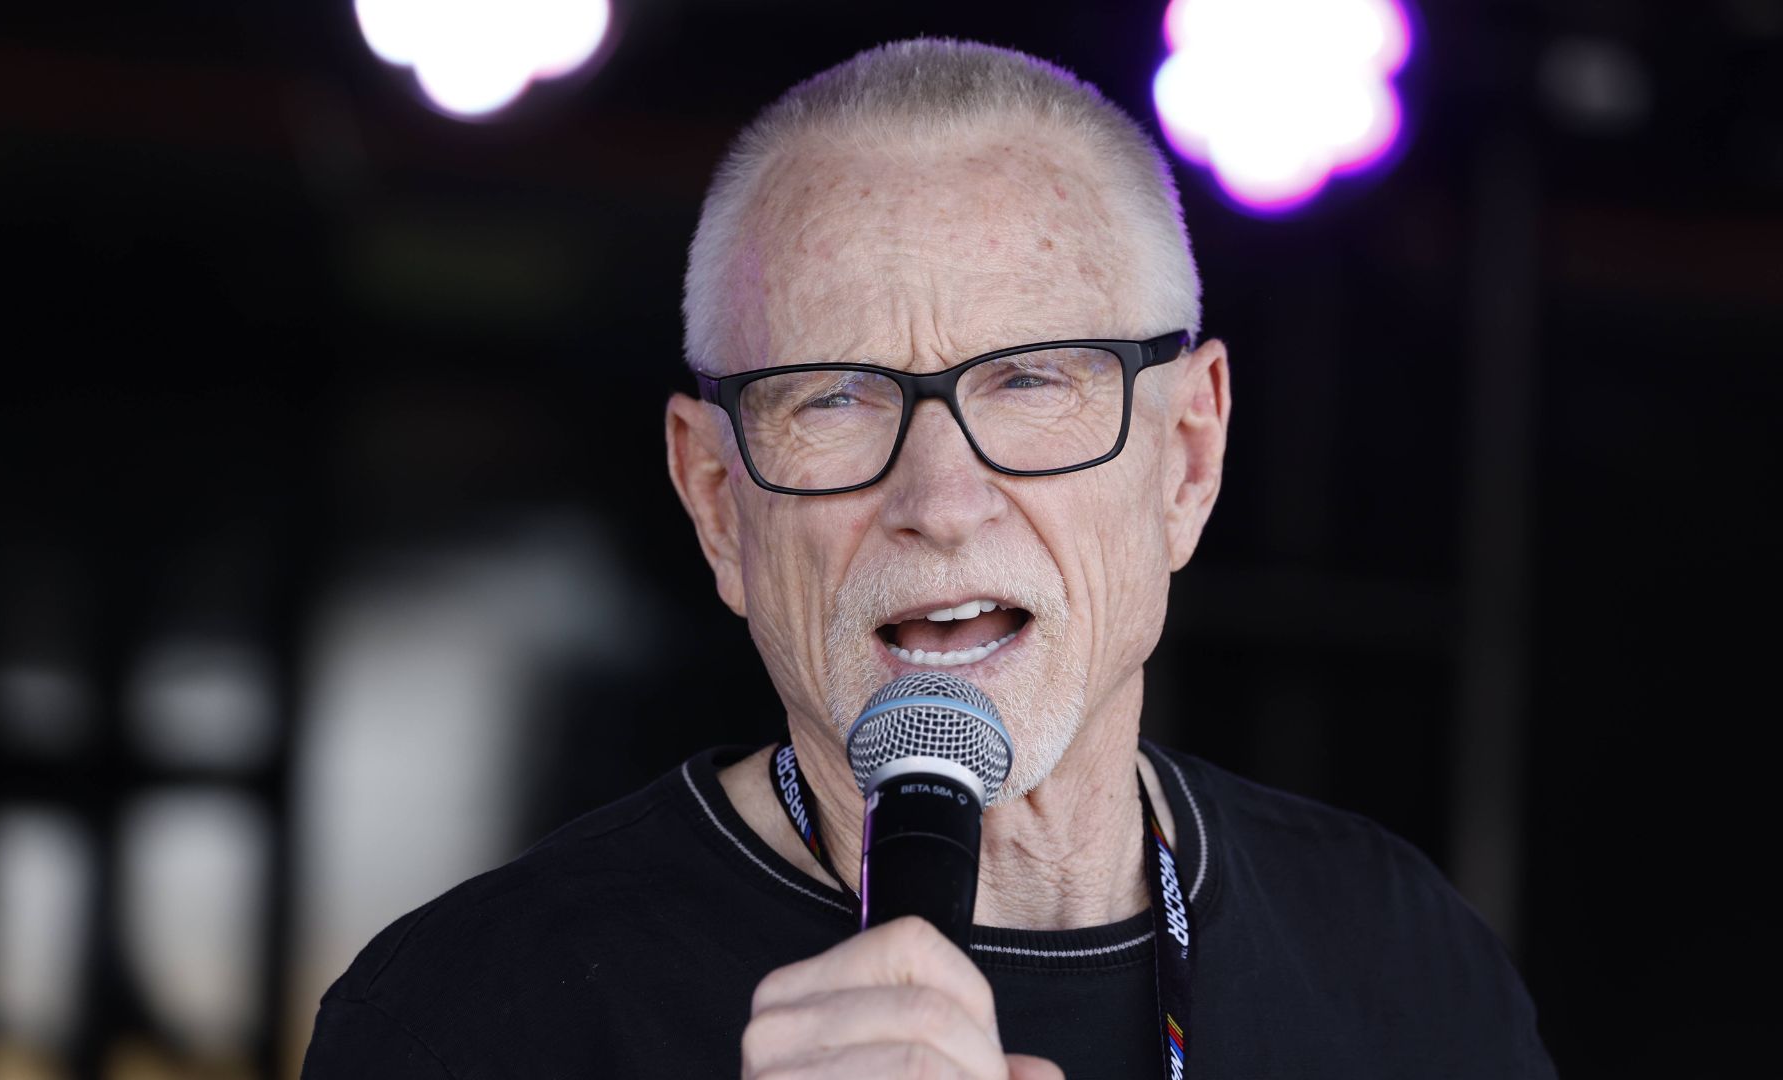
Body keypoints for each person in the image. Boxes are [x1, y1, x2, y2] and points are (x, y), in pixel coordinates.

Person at [303, 39, 1556, 1079]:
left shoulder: (1399, 963)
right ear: (716, 502)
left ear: (1186, 458)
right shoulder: (469, 1019)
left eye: (1030, 381)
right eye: (835, 398)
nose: (942, 501)